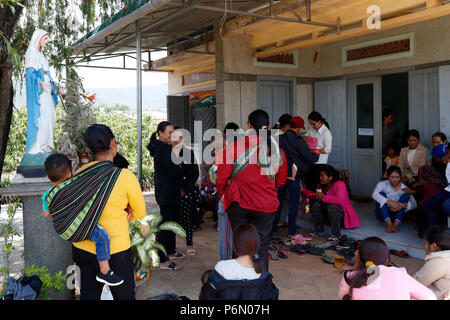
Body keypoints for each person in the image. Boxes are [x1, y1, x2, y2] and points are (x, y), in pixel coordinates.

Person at [48, 124, 146, 300]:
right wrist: (126, 211)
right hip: (115, 251)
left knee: (89, 296)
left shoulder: (81, 172)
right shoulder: (124, 177)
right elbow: (139, 212)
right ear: (113, 143)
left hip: (82, 246)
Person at [216, 109, 287, 270]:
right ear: (268, 126)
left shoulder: (235, 146)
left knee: (240, 244)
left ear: (249, 125)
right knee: (261, 244)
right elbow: (281, 180)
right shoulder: (276, 148)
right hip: (266, 205)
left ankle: (239, 281)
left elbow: (222, 177)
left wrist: (223, 195)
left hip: (238, 203)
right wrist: (267, 189)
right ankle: (261, 281)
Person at [43, 153, 125, 287]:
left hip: (63, 230)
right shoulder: (74, 185)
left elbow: (47, 213)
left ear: (47, 176)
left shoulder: (47, 194)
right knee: (102, 237)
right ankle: (105, 271)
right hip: (77, 227)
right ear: (70, 174)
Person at [338, 237, 437, 300]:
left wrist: (356, 265)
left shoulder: (348, 277)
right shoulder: (399, 274)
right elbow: (430, 297)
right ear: (387, 259)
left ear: (359, 257)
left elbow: (343, 297)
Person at [199, 224, 279, 300]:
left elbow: (207, 295)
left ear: (235, 245)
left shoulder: (222, 267)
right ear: (257, 245)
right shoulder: (262, 273)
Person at [273, 116, 319, 237]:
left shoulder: (278, 138)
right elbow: (310, 158)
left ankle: (274, 228)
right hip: (294, 176)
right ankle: (292, 230)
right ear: (298, 128)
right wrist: (317, 154)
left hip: (279, 174)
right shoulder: (298, 140)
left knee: (278, 201)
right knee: (294, 203)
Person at [148, 121, 185, 271]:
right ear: (161, 133)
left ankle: (170, 251)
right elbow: (175, 170)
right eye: (170, 132)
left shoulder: (164, 148)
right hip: (167, 192)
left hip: (170, 191)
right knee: (166, 225)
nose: (172, 135)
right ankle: (162, 259)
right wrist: (180, 168)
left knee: (171, 222)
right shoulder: (162, 150)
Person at [25, 29, 58, 154]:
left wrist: (55, 86)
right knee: (42, 116)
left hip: (47, 88)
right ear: (38, 39)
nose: (47, 41)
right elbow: (30, 75)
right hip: (40, 90)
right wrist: (40, 83)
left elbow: (47, 73)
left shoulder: (41, 55)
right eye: (45, 38)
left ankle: (48, 144)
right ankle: (39, 146)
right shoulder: (31, 54)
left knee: (50, 116)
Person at [309, 165, 360, 242]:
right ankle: (319, 231)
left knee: (333, 206)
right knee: (316, 204)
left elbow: (340, 200)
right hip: (330, 217)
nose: (320, 178)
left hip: (342, 217)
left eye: (322, 176)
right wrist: (304, 191)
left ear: (330, 177)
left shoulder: (340, 184)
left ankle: (336, 235)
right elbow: (316, 196)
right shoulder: (322, 185)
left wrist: (322, 197)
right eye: (320, 176)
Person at [171, 127, 199, 256]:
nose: (179, 140)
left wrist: (184, 189)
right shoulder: (166, 152)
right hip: (169, 191)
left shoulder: (188, 152)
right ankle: (170, 248)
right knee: (168, 220)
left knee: (186, 219)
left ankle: (189, 245)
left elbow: (195, 174)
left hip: (185, 191)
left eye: (181, 137)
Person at [372, 166, 418, 233]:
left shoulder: (404, 187)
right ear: (388, 177)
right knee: (381, 194)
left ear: (400, 177)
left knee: (406, 195)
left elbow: (414, 204)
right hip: (382, 214)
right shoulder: (382, 184)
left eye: (397, 177)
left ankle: (396, 224)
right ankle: (389, 223)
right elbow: (374, 194)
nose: (395, 180)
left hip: (396, 214)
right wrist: (390, 203)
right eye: (392, 177)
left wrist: (401, 205)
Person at [414, 226, 450, 300]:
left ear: (434, 246)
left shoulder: (440, 262)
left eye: (426, 243)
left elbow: (415, 283)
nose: (425, 246)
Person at [422, 144, 450, 226]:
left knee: (446, 206)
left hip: (446, 190)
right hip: (447, 190)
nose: (445, 158)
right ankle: (435, 232)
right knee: (427, 204)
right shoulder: (440, 164)